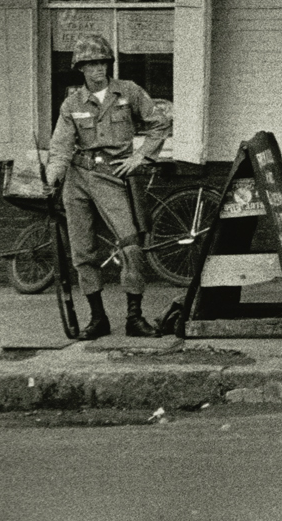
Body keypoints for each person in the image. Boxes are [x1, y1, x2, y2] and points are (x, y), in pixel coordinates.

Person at [46, 32, 170, 340]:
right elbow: (61, 145)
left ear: (109, 64)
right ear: (81, 69)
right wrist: (53, 174)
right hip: (77, 178)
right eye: (90, 65)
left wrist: (141, 157)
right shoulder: (72, 103)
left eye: (102, 63)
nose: (97, 69)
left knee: (131, 244)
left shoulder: (128, 92)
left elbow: (160, 122)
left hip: (113, 176)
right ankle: (97, 318)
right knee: (82, 252)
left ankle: (134, 318)